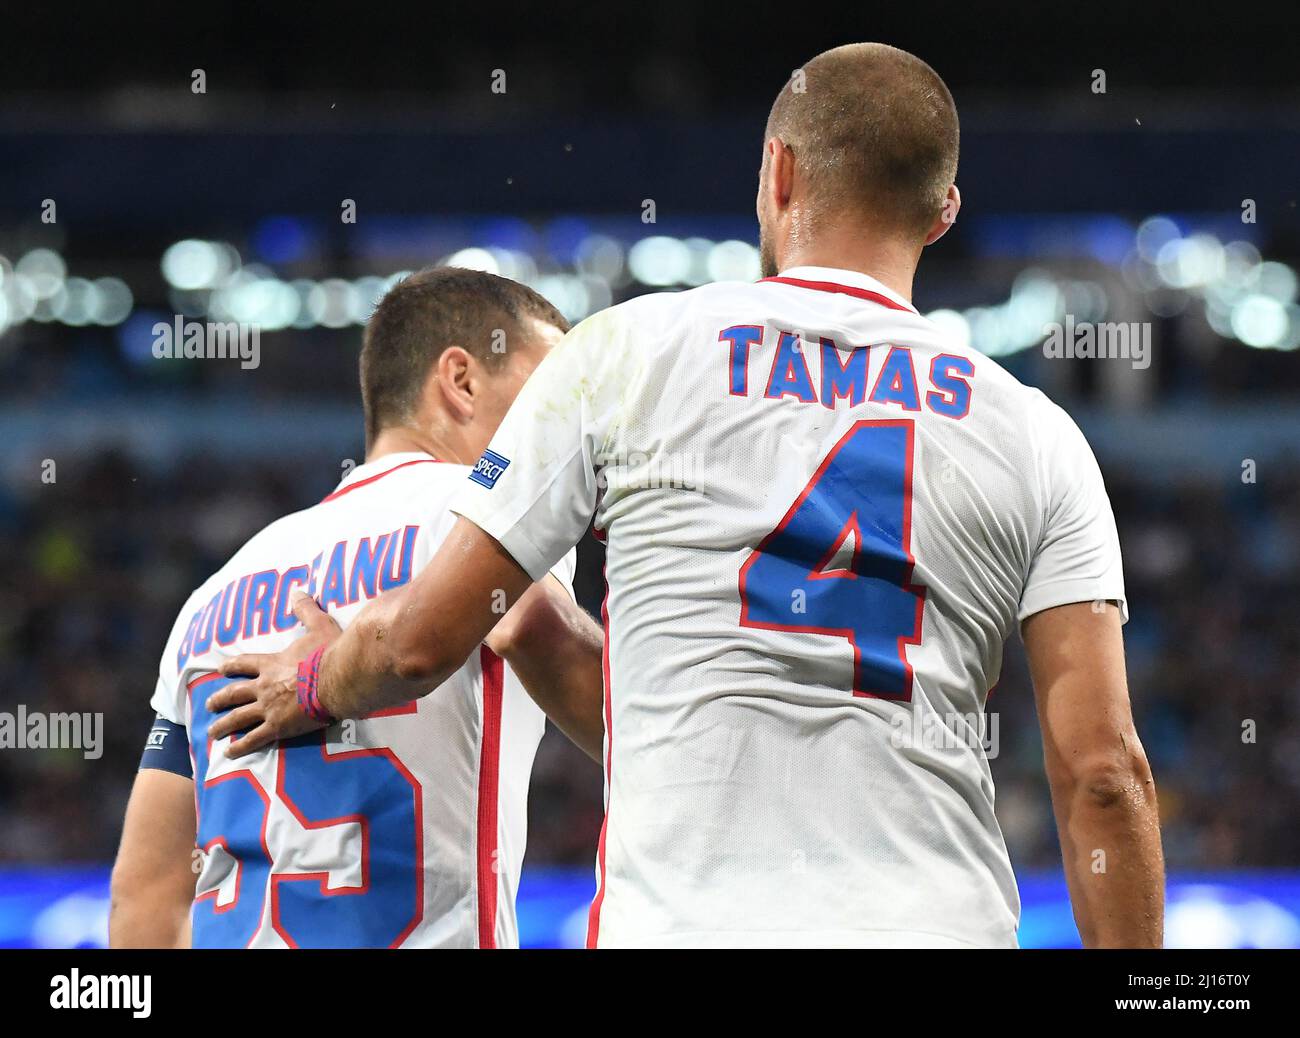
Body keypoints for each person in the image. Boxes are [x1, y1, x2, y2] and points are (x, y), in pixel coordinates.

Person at [210, 43, 1164, 948]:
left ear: (776, 172)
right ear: (943, 211)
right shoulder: (1038, 436)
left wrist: (312, 681)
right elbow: (1105, 777)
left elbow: (420, 644)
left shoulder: (626, 353)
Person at [109, 267, 603, 948]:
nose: (569, 421)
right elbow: (531, 627)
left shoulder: (211, 596)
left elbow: (146, 899)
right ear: (460, 380)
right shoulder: (486, 510)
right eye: (553, 391)